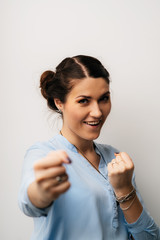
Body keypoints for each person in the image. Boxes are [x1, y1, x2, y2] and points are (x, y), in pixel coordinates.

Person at [18, 55, 160, 240]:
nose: (97, 112)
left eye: (104, 98)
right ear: (59, 102)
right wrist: (41, 193)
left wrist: (125, 190)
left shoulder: (116, 159)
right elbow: (29, 202)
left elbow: (150, 238)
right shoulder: (42, 154)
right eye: (84, 100)